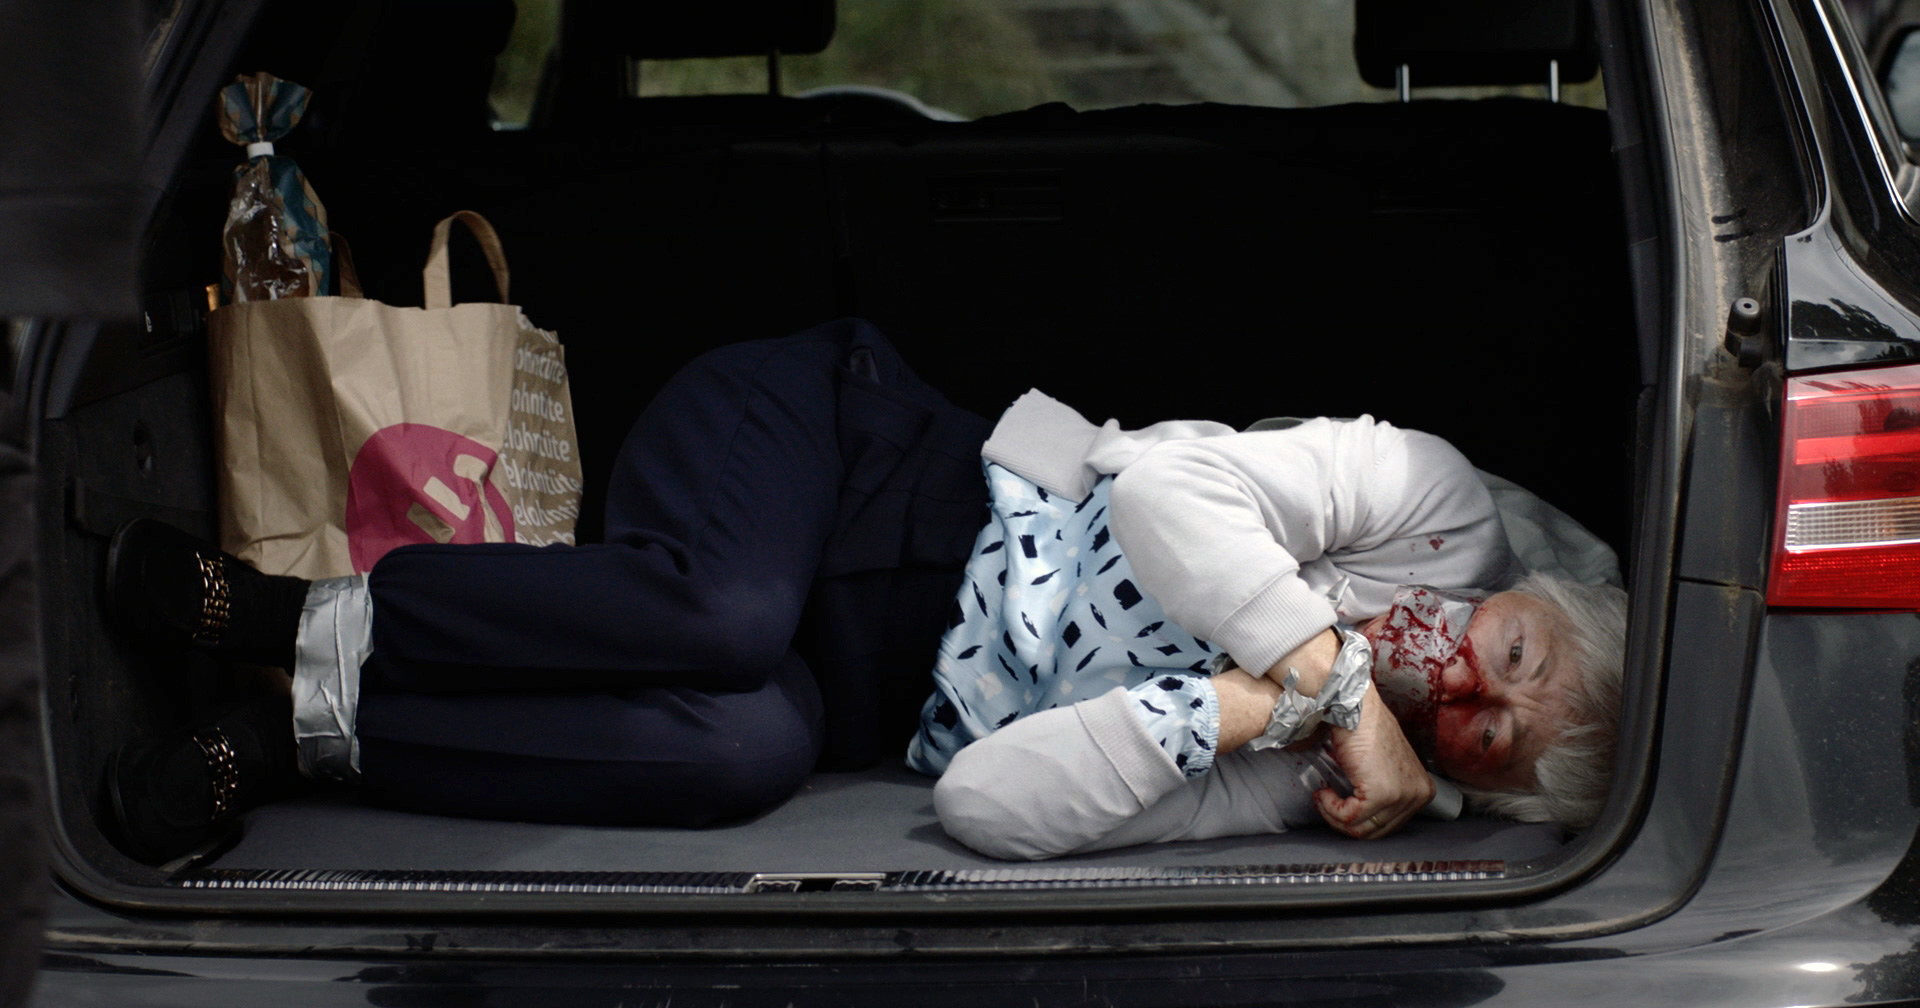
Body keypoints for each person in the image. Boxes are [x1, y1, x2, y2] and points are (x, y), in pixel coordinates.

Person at [102, 320, 1626, 864]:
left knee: (740, 751)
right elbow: (1172, 490)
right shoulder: (1427, 504)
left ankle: (308, 736)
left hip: (847, 687)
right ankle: (283, 617)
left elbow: (983, 802)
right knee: (722, 617)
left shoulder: (1311, 789)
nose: (1464, 685)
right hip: (831, 443)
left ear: (1472, 787)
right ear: (1526, 591)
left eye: (1487, 735)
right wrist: (1336, 675)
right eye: (1508, 653)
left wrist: (1246, 713)